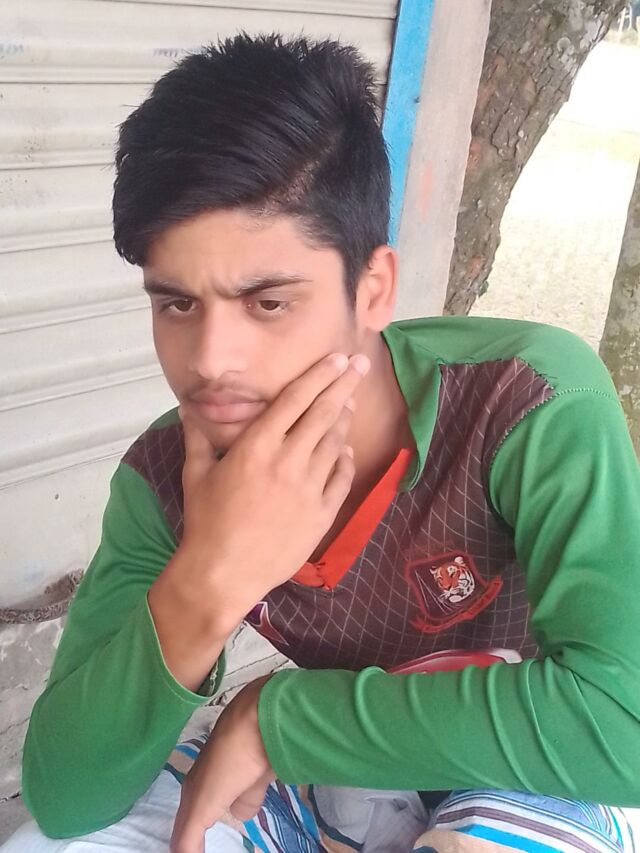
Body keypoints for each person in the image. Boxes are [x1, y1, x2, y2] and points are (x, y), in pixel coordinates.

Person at [3, 33, 640, 853]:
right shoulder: (168, 477)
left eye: (267, 303)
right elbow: (65, 798)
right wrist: (210, 577)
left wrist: (275, 718)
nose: (210, 361)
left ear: (373, 289)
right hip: (334, 780)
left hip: (532, 762)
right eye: (177, 304)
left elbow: (623, 724)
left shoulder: (524, 401)